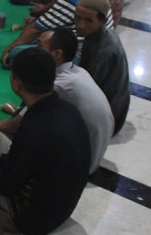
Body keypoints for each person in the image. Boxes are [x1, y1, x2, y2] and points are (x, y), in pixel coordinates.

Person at [0, 49, 91, 235]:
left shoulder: (36, 128)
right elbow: (21, 157)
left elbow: (7, 184)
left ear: (17, 83)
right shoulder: (66, 109)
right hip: (61, 206)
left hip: (31, 218)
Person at [38, 28, 114, 172]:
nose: (35, 51)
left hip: (79, 165)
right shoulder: (79, 71)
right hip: (96, 146)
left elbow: (22, 118)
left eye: (40, 47)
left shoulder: (60, 85)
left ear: (57, 54)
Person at [74, 0, 130, 135]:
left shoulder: (102, 52)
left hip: (107, 121)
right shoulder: (103, 35)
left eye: (88, 20)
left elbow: (85, 92)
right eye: (77, 17)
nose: (80, 25)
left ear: (103, 21)